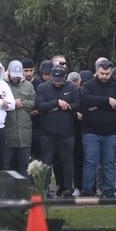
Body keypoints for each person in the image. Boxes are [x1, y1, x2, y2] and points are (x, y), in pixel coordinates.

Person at [80, 59, 116, 197]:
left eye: (107, 73)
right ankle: (88, 191)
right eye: (102, 73)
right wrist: (107, 101)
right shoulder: (89, 85)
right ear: (97, 71)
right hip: (91, 131)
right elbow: (85, 100)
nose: (104, 76)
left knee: (109, 163)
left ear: (111, 72)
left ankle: (109, 191)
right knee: (90, 162)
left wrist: (97, 105)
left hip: (111, 132)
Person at [36, 65, 79, 196]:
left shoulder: (71, 87)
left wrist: (65, 106)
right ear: (51, 77)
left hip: (67, 133)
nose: (58, 82)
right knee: (46, 162)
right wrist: (56, 102)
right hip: (48, 133)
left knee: (67, 162)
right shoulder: (43, 87)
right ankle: (44, 189)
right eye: (55, 79)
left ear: (64, 77)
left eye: (60, 80)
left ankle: (67, 188)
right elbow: (40, 106)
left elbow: (77, 105)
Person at [4, 60, 35, 176]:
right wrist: (13, 103)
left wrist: (23, 103)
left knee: (25, 167)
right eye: (14, 76)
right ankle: (6, 192)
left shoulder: (28, 85)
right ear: (9, 72)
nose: (16, 78)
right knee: (5, 166)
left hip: (24, 135)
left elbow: (34, 103)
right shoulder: (2, 84)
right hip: (8, 134)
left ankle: (23, 191)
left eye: (18, 76)